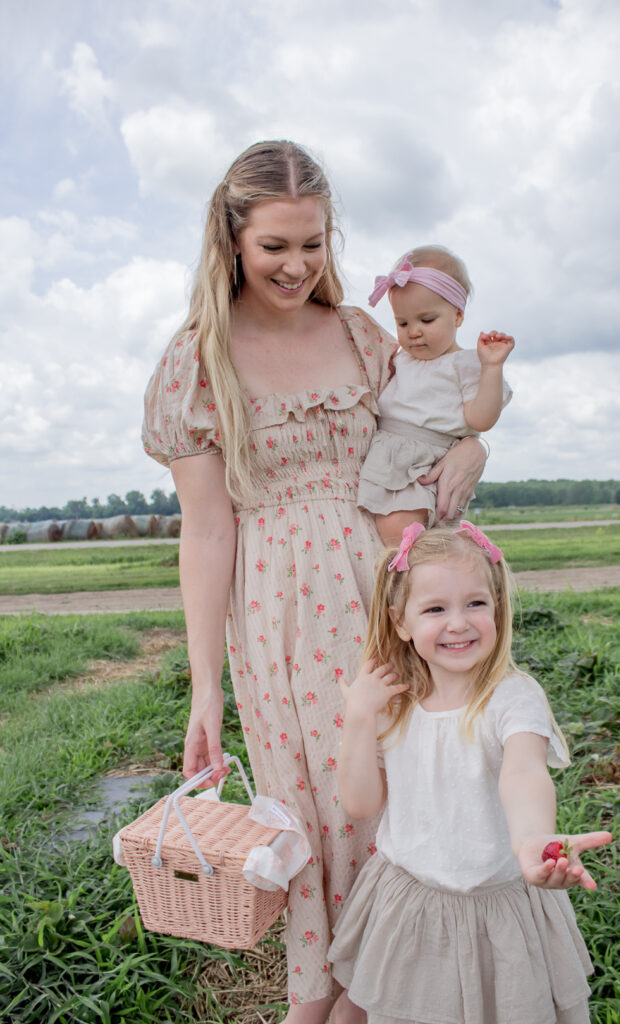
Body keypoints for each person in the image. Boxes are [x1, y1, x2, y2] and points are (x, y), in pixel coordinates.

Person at [141, 140, 488, 1024]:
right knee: (318, 808)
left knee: (404, 799)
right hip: (279, 613)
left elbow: (432, 425)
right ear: (230, 242)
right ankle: (324, 998)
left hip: (388, 590)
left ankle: (382, 993)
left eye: (313, 244)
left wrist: (471, 443)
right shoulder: (196, 361)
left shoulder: (366, 335)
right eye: (275, 247)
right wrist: (204, 687)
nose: (296, 266)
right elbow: (208, 529)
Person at [329, 522, 612, 1024]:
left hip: (501, 904)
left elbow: (524, 773)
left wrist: (533, 840)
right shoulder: (395, 704)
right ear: (400, 622)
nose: (458, 623)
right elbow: (360, 804)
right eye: (435, 609)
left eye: (476, 604)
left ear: (497, 609)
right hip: (412, 905)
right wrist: (358, 717)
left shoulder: (512, 697)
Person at [357, 246, 514, 546]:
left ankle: (413, 579)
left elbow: (480, 419)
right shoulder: (400, 360)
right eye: (403, 323)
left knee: (403, 534)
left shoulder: (466, 363)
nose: (413, 332)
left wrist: (491, 368)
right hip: (387, 456)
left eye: (426, 320)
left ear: (457, 316)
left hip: (427, 462)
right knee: (385, 535)